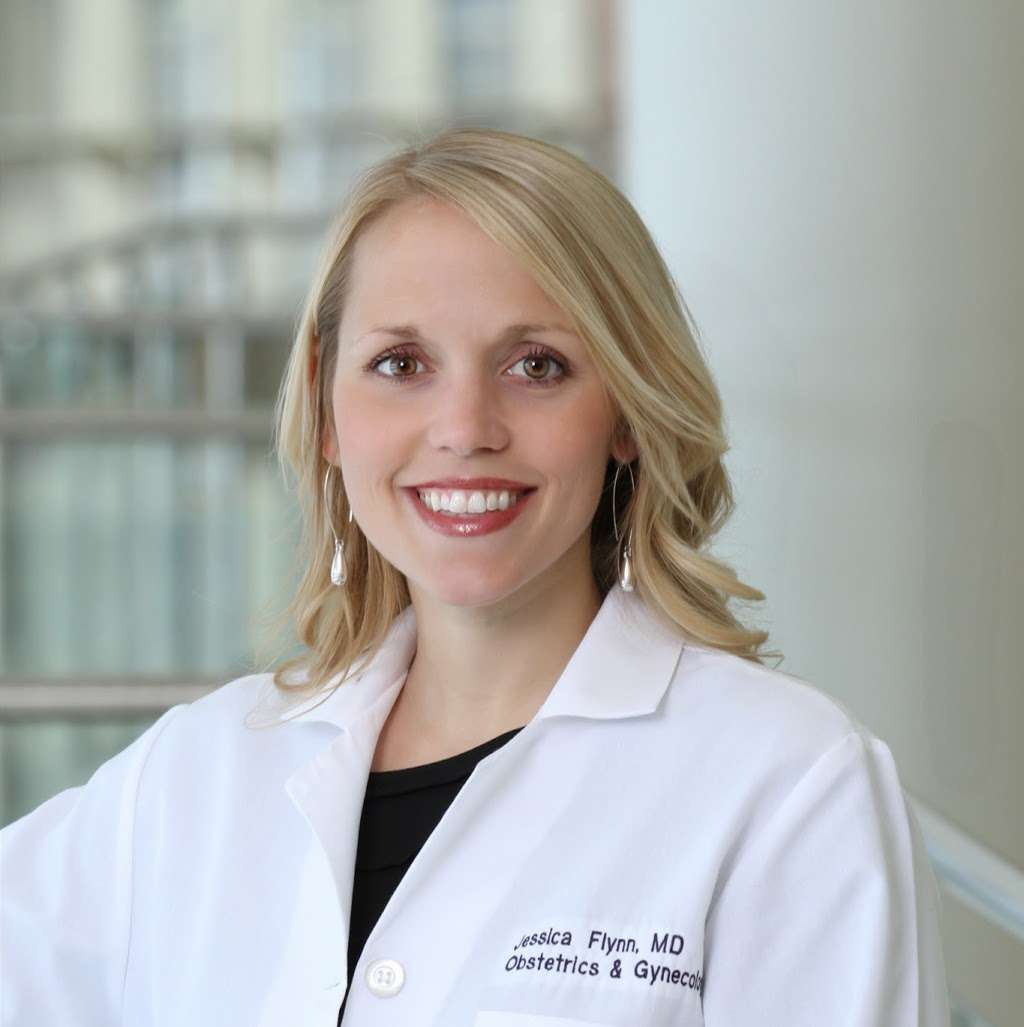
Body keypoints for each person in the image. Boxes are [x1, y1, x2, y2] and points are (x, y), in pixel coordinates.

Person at [0, 127, 949, 1026]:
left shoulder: (790, 785)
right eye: (400, 362)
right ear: (327, 409)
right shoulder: (192, 776)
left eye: (536, 365)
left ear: (627, 409)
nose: (464, 428)